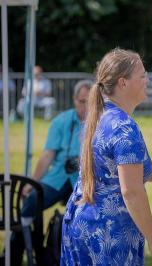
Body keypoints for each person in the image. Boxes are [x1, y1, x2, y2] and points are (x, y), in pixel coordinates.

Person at [61, 48, 152, 266]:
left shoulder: (100, 117)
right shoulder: (123, 127)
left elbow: (132, 169)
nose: (147, 79)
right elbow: (131, 191)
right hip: (108, 234)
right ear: (123, 82)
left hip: (81, 225)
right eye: (142, 75)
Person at [10, 79, 92, 265]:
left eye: (90, 101)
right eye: (82, 101)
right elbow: (47, 156)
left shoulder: (101, 123)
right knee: (32, 201)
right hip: (59, 177)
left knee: (87, 214)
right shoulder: (61, 121)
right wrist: (32, 183)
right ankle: (15, 254)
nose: (86, 107)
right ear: (74, 100)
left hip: (86, 181)